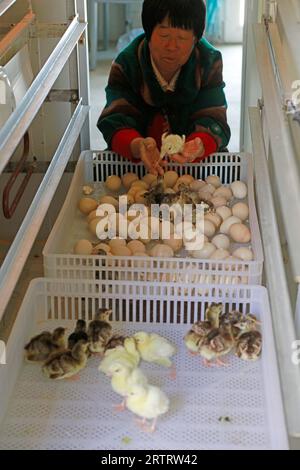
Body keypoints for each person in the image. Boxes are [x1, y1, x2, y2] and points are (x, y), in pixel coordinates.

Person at [97, 0, 230, 175]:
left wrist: (199, 145)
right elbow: (116, 119)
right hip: (138, 163)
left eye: (182, 38)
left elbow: (213, 117)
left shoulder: (207, 62)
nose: (172, 46)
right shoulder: (128, 63)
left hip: (191, 164)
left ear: (196, 39)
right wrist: (137, 145)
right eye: (164, 35)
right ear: (148, 32)